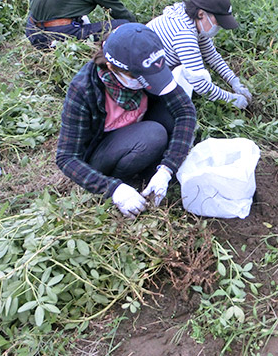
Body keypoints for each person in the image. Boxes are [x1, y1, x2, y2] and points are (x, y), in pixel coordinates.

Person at [56, 23, 196, 219]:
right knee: (153, 134)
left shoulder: (149, 65)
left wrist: (167, 168)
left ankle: (153, 173)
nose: (145, 82)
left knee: (170, 113)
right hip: (105, 154)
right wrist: (114, 189)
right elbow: (66, 158)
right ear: (112, 67)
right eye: (136, 76)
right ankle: (127, 181)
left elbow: (185, 111)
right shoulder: (84, 89)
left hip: (138, 134)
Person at [146, 0, 252, 109]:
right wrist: (231, 99)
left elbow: (212, 57)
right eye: (218, 22)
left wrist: (234, 81)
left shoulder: (192, 20)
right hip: (147, 78)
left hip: (157, 65)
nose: (219, 27)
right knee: (198, 78)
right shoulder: (184, 34)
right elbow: (200, 84)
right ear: (202, 14)